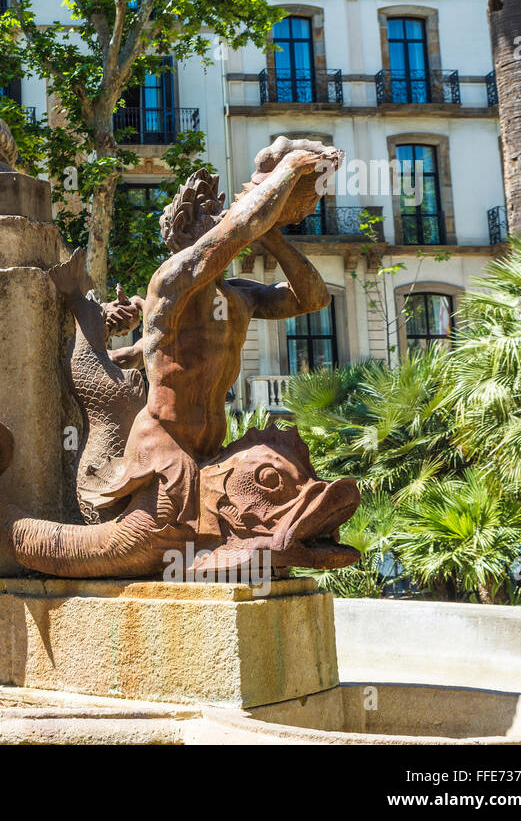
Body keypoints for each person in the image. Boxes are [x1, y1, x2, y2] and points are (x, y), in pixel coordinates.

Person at [98, 137, 343, 540]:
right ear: (184, 232)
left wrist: (275, 238)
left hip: (214, 449)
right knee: (171, 547)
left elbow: (313, 298)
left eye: (220, 213)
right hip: (165, 447)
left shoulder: (240, 295)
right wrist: (291, 168)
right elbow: (240, 227)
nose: (222, 220)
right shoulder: (171, 282)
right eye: (209, 217)